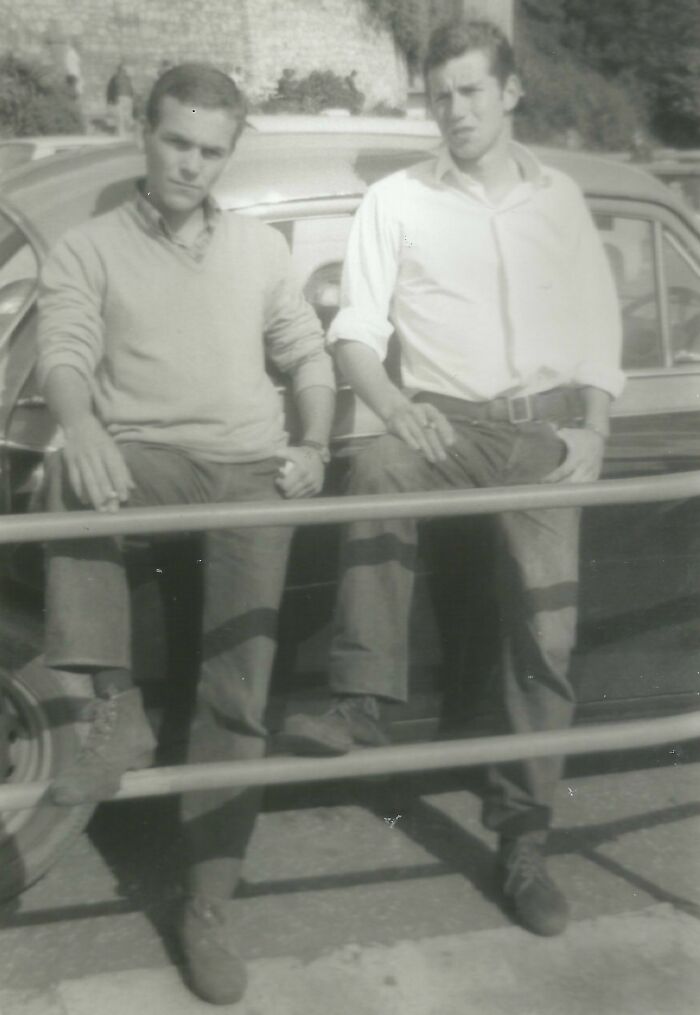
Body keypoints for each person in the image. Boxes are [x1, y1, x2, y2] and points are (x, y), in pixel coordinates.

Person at [281, 18, 623, 939]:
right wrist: (394, 406)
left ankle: (524, 842)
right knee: (377, 460)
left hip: (544, 432)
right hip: (440, 424)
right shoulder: (396, 201)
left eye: (471, 91)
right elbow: (355, 333)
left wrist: (594, 427)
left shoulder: (560, 199)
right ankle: (360, 700)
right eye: (440, 97)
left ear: (510, 92)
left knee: (545, 636)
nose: (455, 111)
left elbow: (598, 326)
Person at [37, 63, 335, 1005]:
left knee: (235, 692)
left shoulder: (260, 248)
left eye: (211, 150)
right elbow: (63, 353)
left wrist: (316, 442)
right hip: (150, 459)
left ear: (228, 155)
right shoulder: (86, 247)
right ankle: (112, 705)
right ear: (144, 131)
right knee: (66, 472)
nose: (191, 165)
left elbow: (306, 351)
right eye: (176, 142)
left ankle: (206, 906)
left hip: (250, 469)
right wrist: (81, 425)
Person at [106, 61, 135, 134]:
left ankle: (122, 132)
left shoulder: (115, 78)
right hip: (126, 98)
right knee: (125, 116)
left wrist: (109, 100)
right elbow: (131, 89)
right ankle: (126, 131)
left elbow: (110, 89)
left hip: (121, 98)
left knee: (121, 116)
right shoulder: (127, 78)